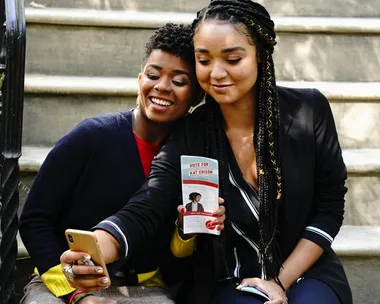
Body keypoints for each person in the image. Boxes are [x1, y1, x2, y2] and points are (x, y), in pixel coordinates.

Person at [61, 1, 353, 303]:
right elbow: (147, 206)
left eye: (233, 59)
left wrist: (280, 280)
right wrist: (95, 246)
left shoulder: (309, 111)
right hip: (229, 276)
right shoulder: (191, 132)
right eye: (204, 60)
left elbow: (330, 208)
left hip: (306, 269)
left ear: (260, 56)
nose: (216, 73)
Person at [19, 23, 225, 304]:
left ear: (197, 96)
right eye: (153, 75)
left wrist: (185, 230)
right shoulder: (91, 136)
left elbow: (176, 263)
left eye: (179, 81)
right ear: (140, 78)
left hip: (145, 288)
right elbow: (34, 220)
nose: (162, 87)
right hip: (60, 281)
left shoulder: (191, 158)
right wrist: (74, 293)